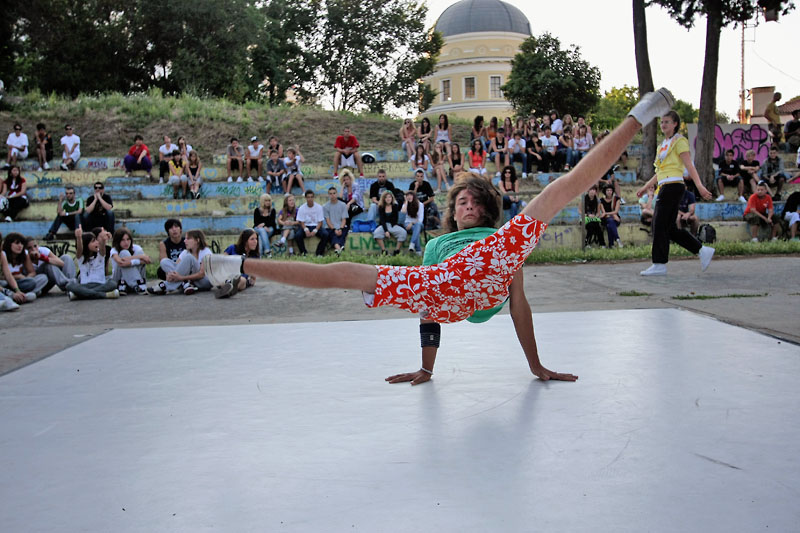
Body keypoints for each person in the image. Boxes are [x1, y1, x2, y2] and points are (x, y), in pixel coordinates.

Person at [203, 88, 674, 383]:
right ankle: (238, 264)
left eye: (474, 201)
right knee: (345, 274)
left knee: (560, 190)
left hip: (489, 269)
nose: (466, 204)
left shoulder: (498, 239)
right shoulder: (436, 244)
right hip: (446, 290)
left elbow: (519, 303)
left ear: (487, 208)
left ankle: (639, 114)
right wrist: (427, 368)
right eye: (460, 202)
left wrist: (535, 365)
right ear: (452, 212)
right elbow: (429, 300)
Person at [637, 110, 714, 276]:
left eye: (667, 122)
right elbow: (660, 171)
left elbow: (689, 165)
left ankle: (659, 264)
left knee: (658, 224)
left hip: (673, 186)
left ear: (675, 124)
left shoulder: (679, 141)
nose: (663, 124)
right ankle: (702, 250)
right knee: (670, 228)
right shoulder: (662, 145)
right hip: (664, 186)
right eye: (662, 122)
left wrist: (699, 185)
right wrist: (645, 187)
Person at [149, 229, 212, 295]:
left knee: (189, 257)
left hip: (204, 281)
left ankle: (165, 286)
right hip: (190, 280)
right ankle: (186, 285)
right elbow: (177, 268)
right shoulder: (185, 252)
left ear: (197, 240)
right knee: (164, 261)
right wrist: (170, 275)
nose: (185, 241)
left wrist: (181, 278)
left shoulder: (206, 252)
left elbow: (202, 274)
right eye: (185, 238)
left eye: (188, 239)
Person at [65, 227, 119, 301]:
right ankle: (103, 295)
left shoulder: (100, 255)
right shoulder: (81, 257)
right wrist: (79, 237)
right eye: (93, 241)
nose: (97, 242)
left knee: (113, 283)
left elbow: (102, 246)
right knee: (69, 285)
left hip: (100, 285)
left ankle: (81, 295)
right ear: (86, 244)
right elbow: (80, 248)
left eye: (96, 240)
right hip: (85, 285)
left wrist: (103, 239)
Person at [1, 231, 48, 297]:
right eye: (17, 243)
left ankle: (24, 296)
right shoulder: (3, 255)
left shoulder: (25, 254)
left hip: (22, 283)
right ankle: (18, 295)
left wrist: (25, 278)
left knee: (42, 278)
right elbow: (3, 277)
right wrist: (17, 276)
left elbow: (32, 272)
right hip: (8, 284)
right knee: (3, 283)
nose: (20, 246)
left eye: (22, 243)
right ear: (9, 244)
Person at [216, 229, 260, 298]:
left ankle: (228, 289)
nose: (255, 242)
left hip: (241, 279)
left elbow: (253, 278)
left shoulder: (255, 256)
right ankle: (229, 287)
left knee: (241, 281)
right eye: (252, 239)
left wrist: (250, 282)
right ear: (245, 241)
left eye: (256, 239)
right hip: (227, 275)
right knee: (224, 279)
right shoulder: (232, 248)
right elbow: (221, 261)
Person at [109, 228, 150, 294]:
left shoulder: (136, 248)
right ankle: (136, 285)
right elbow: (120, 261)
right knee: (124, 253)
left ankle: (136, 284)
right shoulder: (114, 250)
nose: (126, 242)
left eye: (128, 239)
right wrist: (140, 257)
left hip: (133, 279)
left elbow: (148, 260)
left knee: (139, 252)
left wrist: (131, 262)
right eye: (122, 240)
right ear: (118, 241)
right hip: (118, 279)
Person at [372, 191, 407, 256]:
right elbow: (382, 220)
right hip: (384, 225)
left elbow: (395, 219)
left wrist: (391, 230)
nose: (388, 199)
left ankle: (397, 251)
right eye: (386, 197)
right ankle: (384, 250)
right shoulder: (381, 207)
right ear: (384, 199)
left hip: (393, 225)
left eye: (389, 197)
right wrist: (386, 231)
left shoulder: (395, 206)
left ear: (392, 198)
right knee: (376, 233)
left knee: (403, 232)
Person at [295, 189, 326, 256]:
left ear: (314, 198)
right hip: (306, 226)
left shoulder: (319, 207)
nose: (310, 199)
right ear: (305, 198)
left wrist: (315, 230)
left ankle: (319, 253)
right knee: (298, 235)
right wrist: (306, 230)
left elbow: (320, 222)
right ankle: (304, 253)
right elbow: (301, 222)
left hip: (316, 226)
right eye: (308, 197)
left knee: (325, 234)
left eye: (312, 197)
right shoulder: (302, 208)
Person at [154, 218, 185, 283]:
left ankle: (177, 281)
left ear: (180, 229)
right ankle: (182, 282)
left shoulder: (186, 241)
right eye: (171, 228)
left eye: (176, 227)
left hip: (184, 266)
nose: (174, 229)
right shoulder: (163, 244)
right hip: (171, 268)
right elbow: (163, 261)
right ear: (168, 231)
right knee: (161, 271)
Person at [323, 186, 349, 255]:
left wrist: (340, 228)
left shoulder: (343, 205)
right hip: (330, 227)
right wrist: (334, 229)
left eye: (334, 193)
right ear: (328, 195)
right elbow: (328, 221)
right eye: (330, 194)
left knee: (342, 234)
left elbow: (344, 219)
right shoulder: (325, 206)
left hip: (341, 226)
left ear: (337, 194)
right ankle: (339, 248)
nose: (332, 195)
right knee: (333, 234)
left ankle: (337, 248)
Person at [400, 189, 424, 254]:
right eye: (407, 195)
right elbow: (403, 213)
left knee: (417, 225)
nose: (409, 197)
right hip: (407, 225)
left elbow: (420, 219)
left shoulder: (420, 204)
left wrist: (412, 223)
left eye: (411, 195)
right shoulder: (405, 205)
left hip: (418, 224)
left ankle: (412, 243)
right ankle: (418, 252)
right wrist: (406, 202)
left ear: (414, 196)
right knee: (415, 230)